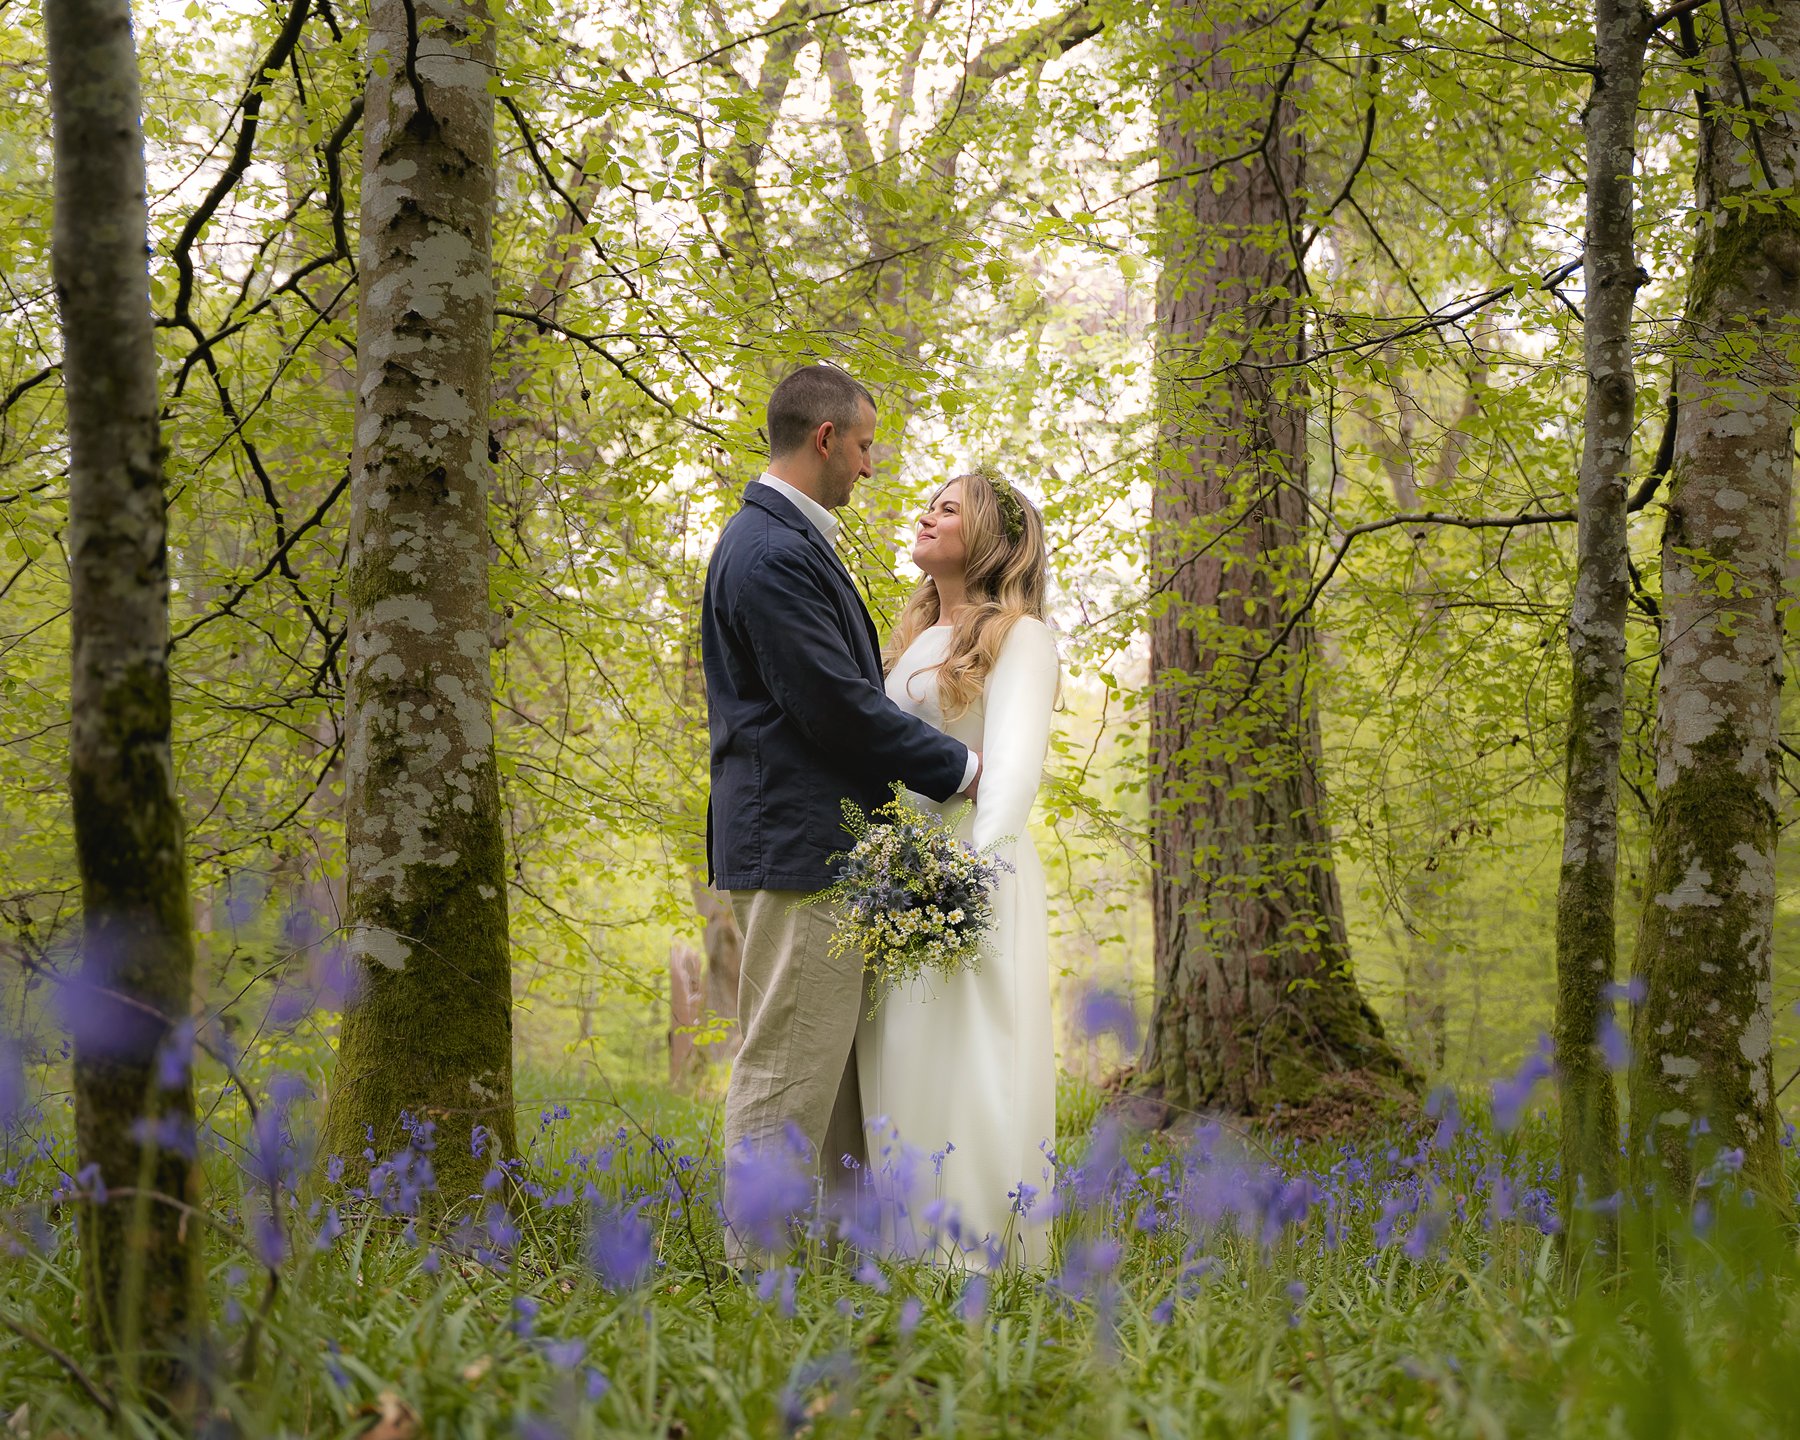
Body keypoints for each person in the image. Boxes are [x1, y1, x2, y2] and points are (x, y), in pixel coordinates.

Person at [700, 364, 980, 1253]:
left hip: (816, 846)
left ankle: (826, 1275)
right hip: (797, 844)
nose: (870, 467)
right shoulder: (772, 550)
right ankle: (756, 1284)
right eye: (863, 446)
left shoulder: (784, 541)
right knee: (786, 1075)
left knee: (825, 1086)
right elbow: (834, 705)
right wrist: (962, 770)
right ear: (826, 439)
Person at [857, 470, 1059, 1267]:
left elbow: (1010, 774)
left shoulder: (1020, 636)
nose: (927, 515)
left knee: (972, 1053)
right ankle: (903, 1244)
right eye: (928, 504)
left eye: (948, 508)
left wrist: (960, 883)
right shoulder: (913, 640)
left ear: (990, 536)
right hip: (899, 873)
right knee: (899, 1049)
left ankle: (976, 1251)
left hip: (973, 873)